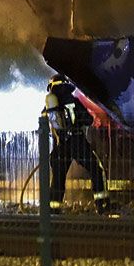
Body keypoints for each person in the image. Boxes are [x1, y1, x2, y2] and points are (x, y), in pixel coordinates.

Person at [43, 73, 111, 214]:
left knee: (58, 178)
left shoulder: (50, 104)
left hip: (60, 145)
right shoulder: (73, 100)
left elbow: (43, 122)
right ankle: (102, 205)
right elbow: (87, 120)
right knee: (96, 170)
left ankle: (53, 209)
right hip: (77, 141)